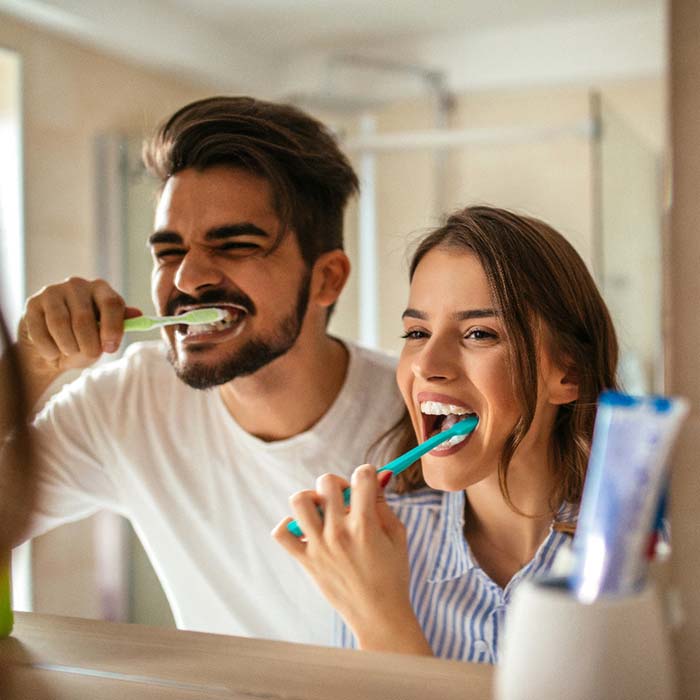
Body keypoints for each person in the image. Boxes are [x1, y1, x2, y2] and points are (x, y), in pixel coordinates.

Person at [6, 96, 404, 644]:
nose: (188, 279)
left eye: (236, 244)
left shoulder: (419, 421)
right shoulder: (129, 400)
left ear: (327, 279)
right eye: (169, 253)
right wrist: (31, 363)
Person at [273, 206, 619, 663]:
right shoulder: (370, 550)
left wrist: (381, 620)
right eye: (416, 332)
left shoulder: (643, 553)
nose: (427, 365)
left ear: (568, 372)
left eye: (478, 333)